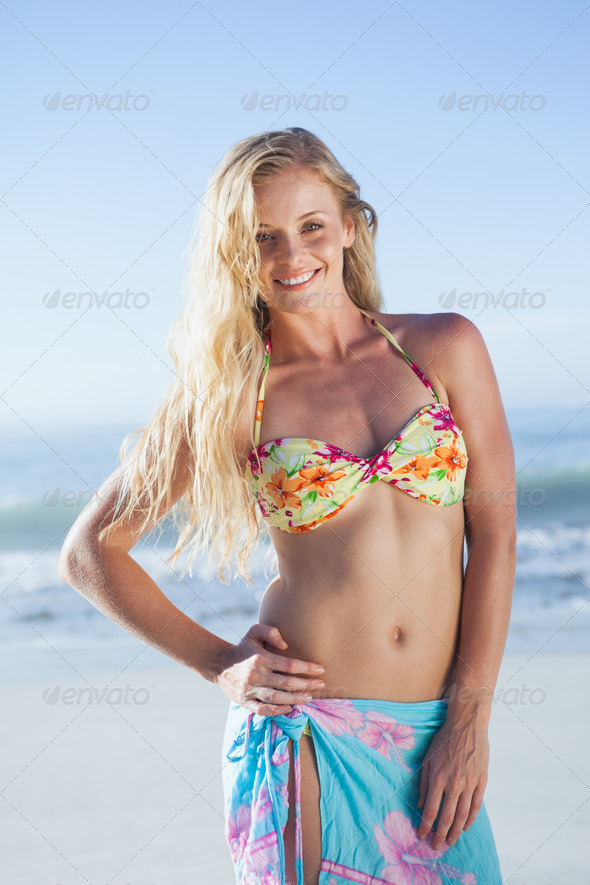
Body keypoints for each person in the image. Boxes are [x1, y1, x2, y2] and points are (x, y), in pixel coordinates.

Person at [59, 127, 516, 885]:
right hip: (305, 738)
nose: (292, 256)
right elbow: (89, 551)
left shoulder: (444, 348)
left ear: (349, 226)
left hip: (437, 731)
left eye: (310, 227)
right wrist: (222, 665)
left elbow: (495, 537)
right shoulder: (234, 392)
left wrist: (470, 718)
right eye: (263, 237)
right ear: (237, 252)